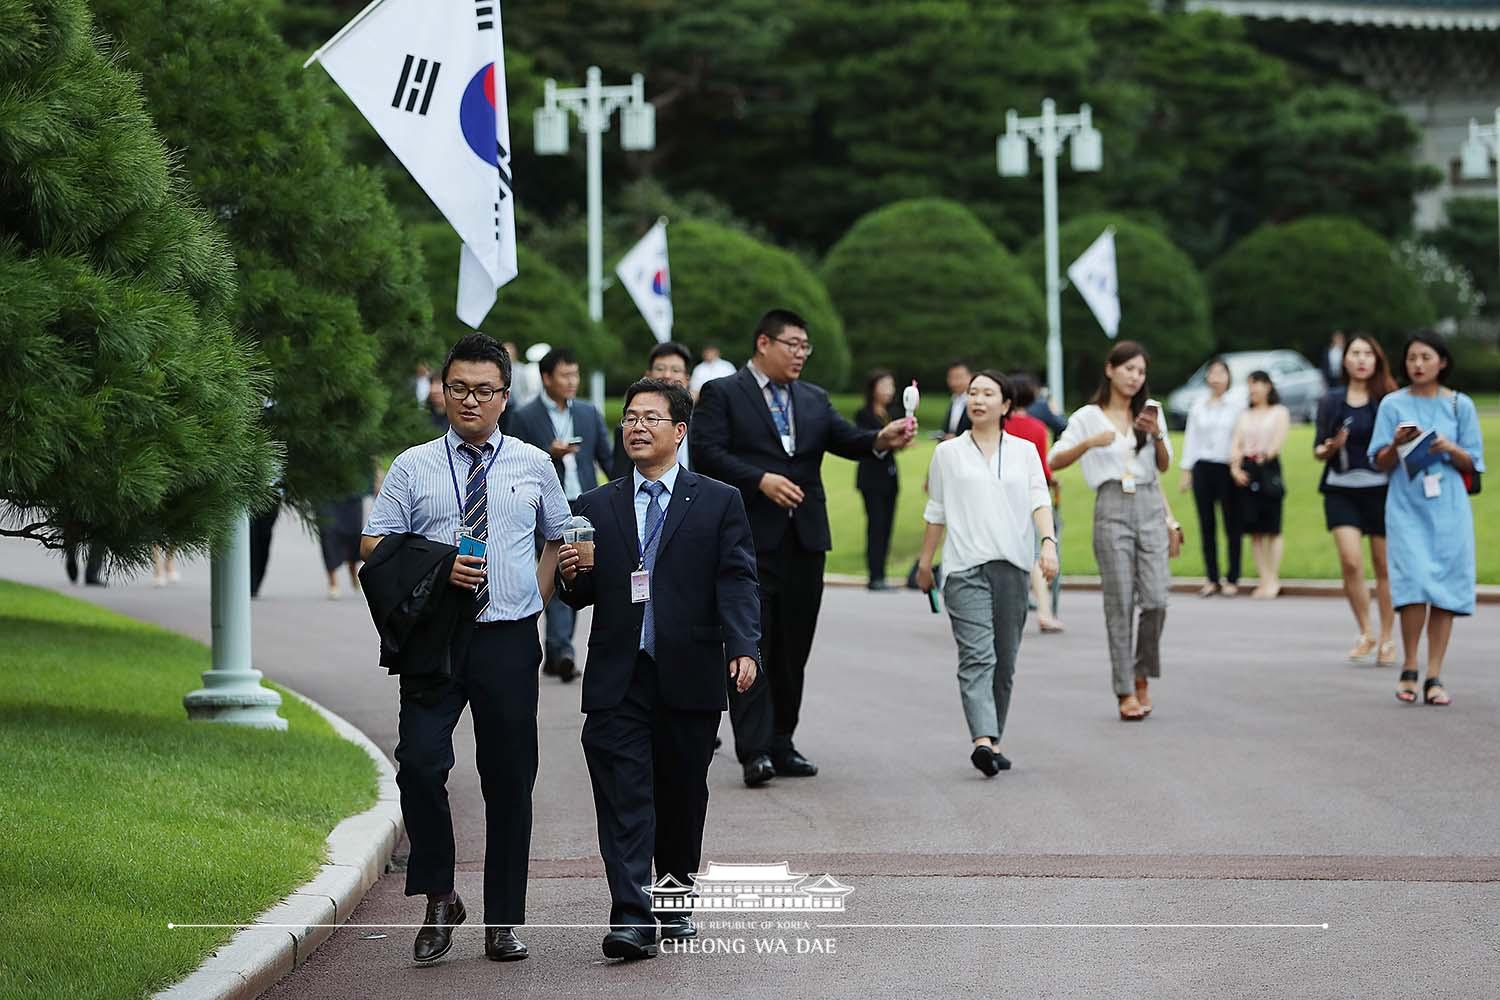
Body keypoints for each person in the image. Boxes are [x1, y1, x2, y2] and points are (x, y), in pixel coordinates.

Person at [361, 332, 570, 966]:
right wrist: (442, 564)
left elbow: (561, 536)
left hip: (508, 639)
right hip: (436, 642)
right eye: (458, 389)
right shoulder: (412, 465)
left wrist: (535, 594)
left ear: (506, 396)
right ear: (442, 392)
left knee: (510, 779)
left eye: (483, 391)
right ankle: (439, 896)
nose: (469, 400)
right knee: (421, 764)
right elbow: (374, 547)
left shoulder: (534, 464)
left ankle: (504, 918)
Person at [557, 378, 760, 961]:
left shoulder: (719, 501)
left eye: (650, 418)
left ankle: (674, 902)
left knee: (679, 795)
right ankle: (631, 916)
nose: (637, 427)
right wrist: (575, 572)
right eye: (629, 418)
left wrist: (743, 645)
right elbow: (581, 592)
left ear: (680, 431)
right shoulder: (595, 505)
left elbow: (737, 580)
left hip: (690, 670)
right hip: (619, 675)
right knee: (623, 794)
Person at [691, 308, 916, 786]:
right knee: (754, 644)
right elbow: (708, 452)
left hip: (805, 539)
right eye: (792, 344)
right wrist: (760, 480)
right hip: (748, 541)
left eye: (805, 347)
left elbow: (847, 439)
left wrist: (881, 437)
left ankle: (782, 741)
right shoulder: (724, 393)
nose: (800, 355)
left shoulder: (812, 398)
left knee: (794, 647)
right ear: (763, 343)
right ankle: (754, 750)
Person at [916, 371, 1058, 776]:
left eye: (988, 393)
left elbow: (1039, 500)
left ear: (1006, 405)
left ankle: (993, 738)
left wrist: (1048, 544)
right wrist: (926, 564)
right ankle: (981, 739)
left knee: (1005, 661)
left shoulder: (1025, 451)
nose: (978, 399)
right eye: (973, 392)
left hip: (1012, 567)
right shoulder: (948, 454)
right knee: (978, 656)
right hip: (963, 569)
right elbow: (936, 512)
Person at [1049, 341, 1174, 722]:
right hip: (1111, 504)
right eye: (1128, 369)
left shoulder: (1151, 412)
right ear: (1110, 369)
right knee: (1119, 602)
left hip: (1150, 504)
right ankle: (1125, 689)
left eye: (1141, 371)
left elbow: (1164, 466)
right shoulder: (1088, 416)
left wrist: (1156, 436)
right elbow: (1054, 459)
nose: (1135, 377)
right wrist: (1089, 443)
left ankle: (1141, 672)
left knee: (1156, 600)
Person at [1370, 332, 1484, 707]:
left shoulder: (1459, 406)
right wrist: (1396, 443)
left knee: (1445, 587)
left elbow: (1474, 463)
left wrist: (1450, 448)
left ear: (1442, 362)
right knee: (1415, 582)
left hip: (1448, 506)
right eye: (1412, 358)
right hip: (1406, 505)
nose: (1417, 364)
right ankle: (1409, 664)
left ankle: (1435, 673)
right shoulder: (1392, 404)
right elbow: (1379, 461)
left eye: (1426, 357)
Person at [509, 347, 613, 683]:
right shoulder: (525, 417)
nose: (572, 382)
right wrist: (547, 454)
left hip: (581, 506)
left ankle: (556, 651)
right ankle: (562, 647)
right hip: (543, 508)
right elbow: (514, 465)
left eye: (575, 375)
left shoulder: (588, 412)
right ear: (546, 378)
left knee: (578, 573)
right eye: (565, 375)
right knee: (555, 569)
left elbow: (607, 460)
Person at [1314, 334, 1398, 664]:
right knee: (1351, 561)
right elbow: (1318, 449)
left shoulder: (1388, 400)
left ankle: (1389, 637)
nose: (1361, 359)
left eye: (1367, 354)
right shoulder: (1331, 400)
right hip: (1340, 487)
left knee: (1383, 565)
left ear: (1376, 360)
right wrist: (1331, 447)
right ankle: (1366, 630)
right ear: (1344, 360)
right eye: (1355, 353)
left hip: (1380, 488)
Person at [1179, 358, 1244, 597]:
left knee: (1232, 523)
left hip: (1227, 467)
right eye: (1212, 373)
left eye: (1221, 372)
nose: (1216, 377)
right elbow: (1191, 439)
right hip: (1203, 467)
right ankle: (1212, 577)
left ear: (1228, 377)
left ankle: (1233, 576)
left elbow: (1241, 436)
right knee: (1207, 524)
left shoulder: (1236, 406)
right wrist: (1186, 470)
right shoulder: (1199, 406)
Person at [1005, 374, 1063, 632]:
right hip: (1029, 494)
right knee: (1034, 555)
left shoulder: (999, 425)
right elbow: (1042, 469)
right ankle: (1044, 610)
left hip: (1001, 494)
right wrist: (1053, 482)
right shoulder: (1038, 428)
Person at [1230, 372, 1290, 599]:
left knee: (1272, 528)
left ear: (1267, 387)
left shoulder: (1279, 412)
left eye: (1256, 385)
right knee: (1254, 530)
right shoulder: (1244, 415)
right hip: (1247, 469)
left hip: (1268, 468)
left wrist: (1263, 456)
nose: (1252, 390)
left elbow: (1277, 441)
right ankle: (1263, 578)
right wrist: (1235, 468)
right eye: (1250, 386)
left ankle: (1273, 578)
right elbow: (1236, 442)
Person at [613, 342, 693, 479]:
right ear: (648, 375)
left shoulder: (707, 427)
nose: (667, 375)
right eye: (660, 368)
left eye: (675, 370)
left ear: (687, 378)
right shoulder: (628, 430)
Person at [854, 369, 899, 591]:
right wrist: (890, 442)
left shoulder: (889, 413)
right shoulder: (864, 414)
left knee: (887, 527)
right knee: (876, 526)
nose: (889, 391)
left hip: (890, 477)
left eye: (891, 386)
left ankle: (882, 573)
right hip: (872, 478)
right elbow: (866, 443)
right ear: (873, 388)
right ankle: (875, 575)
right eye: (885, 386)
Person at [318, 491, 368, 600]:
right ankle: (333, 582)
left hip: (351, 488)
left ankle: (353, 568)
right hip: (325, 489)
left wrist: (377, 480)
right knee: (328, 532)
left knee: (353, 534)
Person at [941, 360, 973, 438]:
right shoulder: (954, 399)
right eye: (951, 378)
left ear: (971, 377)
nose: (954, 382)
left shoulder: (975, 401)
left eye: (958, 377)